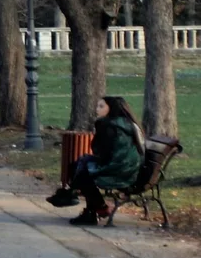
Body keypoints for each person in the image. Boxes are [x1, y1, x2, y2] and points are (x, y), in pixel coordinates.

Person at [47, 96, 145, 226]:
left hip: (120, 170)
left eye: (101, 106)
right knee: (80, 164)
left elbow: (102, 150)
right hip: (128, 166)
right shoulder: (127, 124)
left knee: (84, 174)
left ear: (111, 109)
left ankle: (90, 206)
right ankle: (76, 198)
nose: (97, 109)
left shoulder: (109, 125)